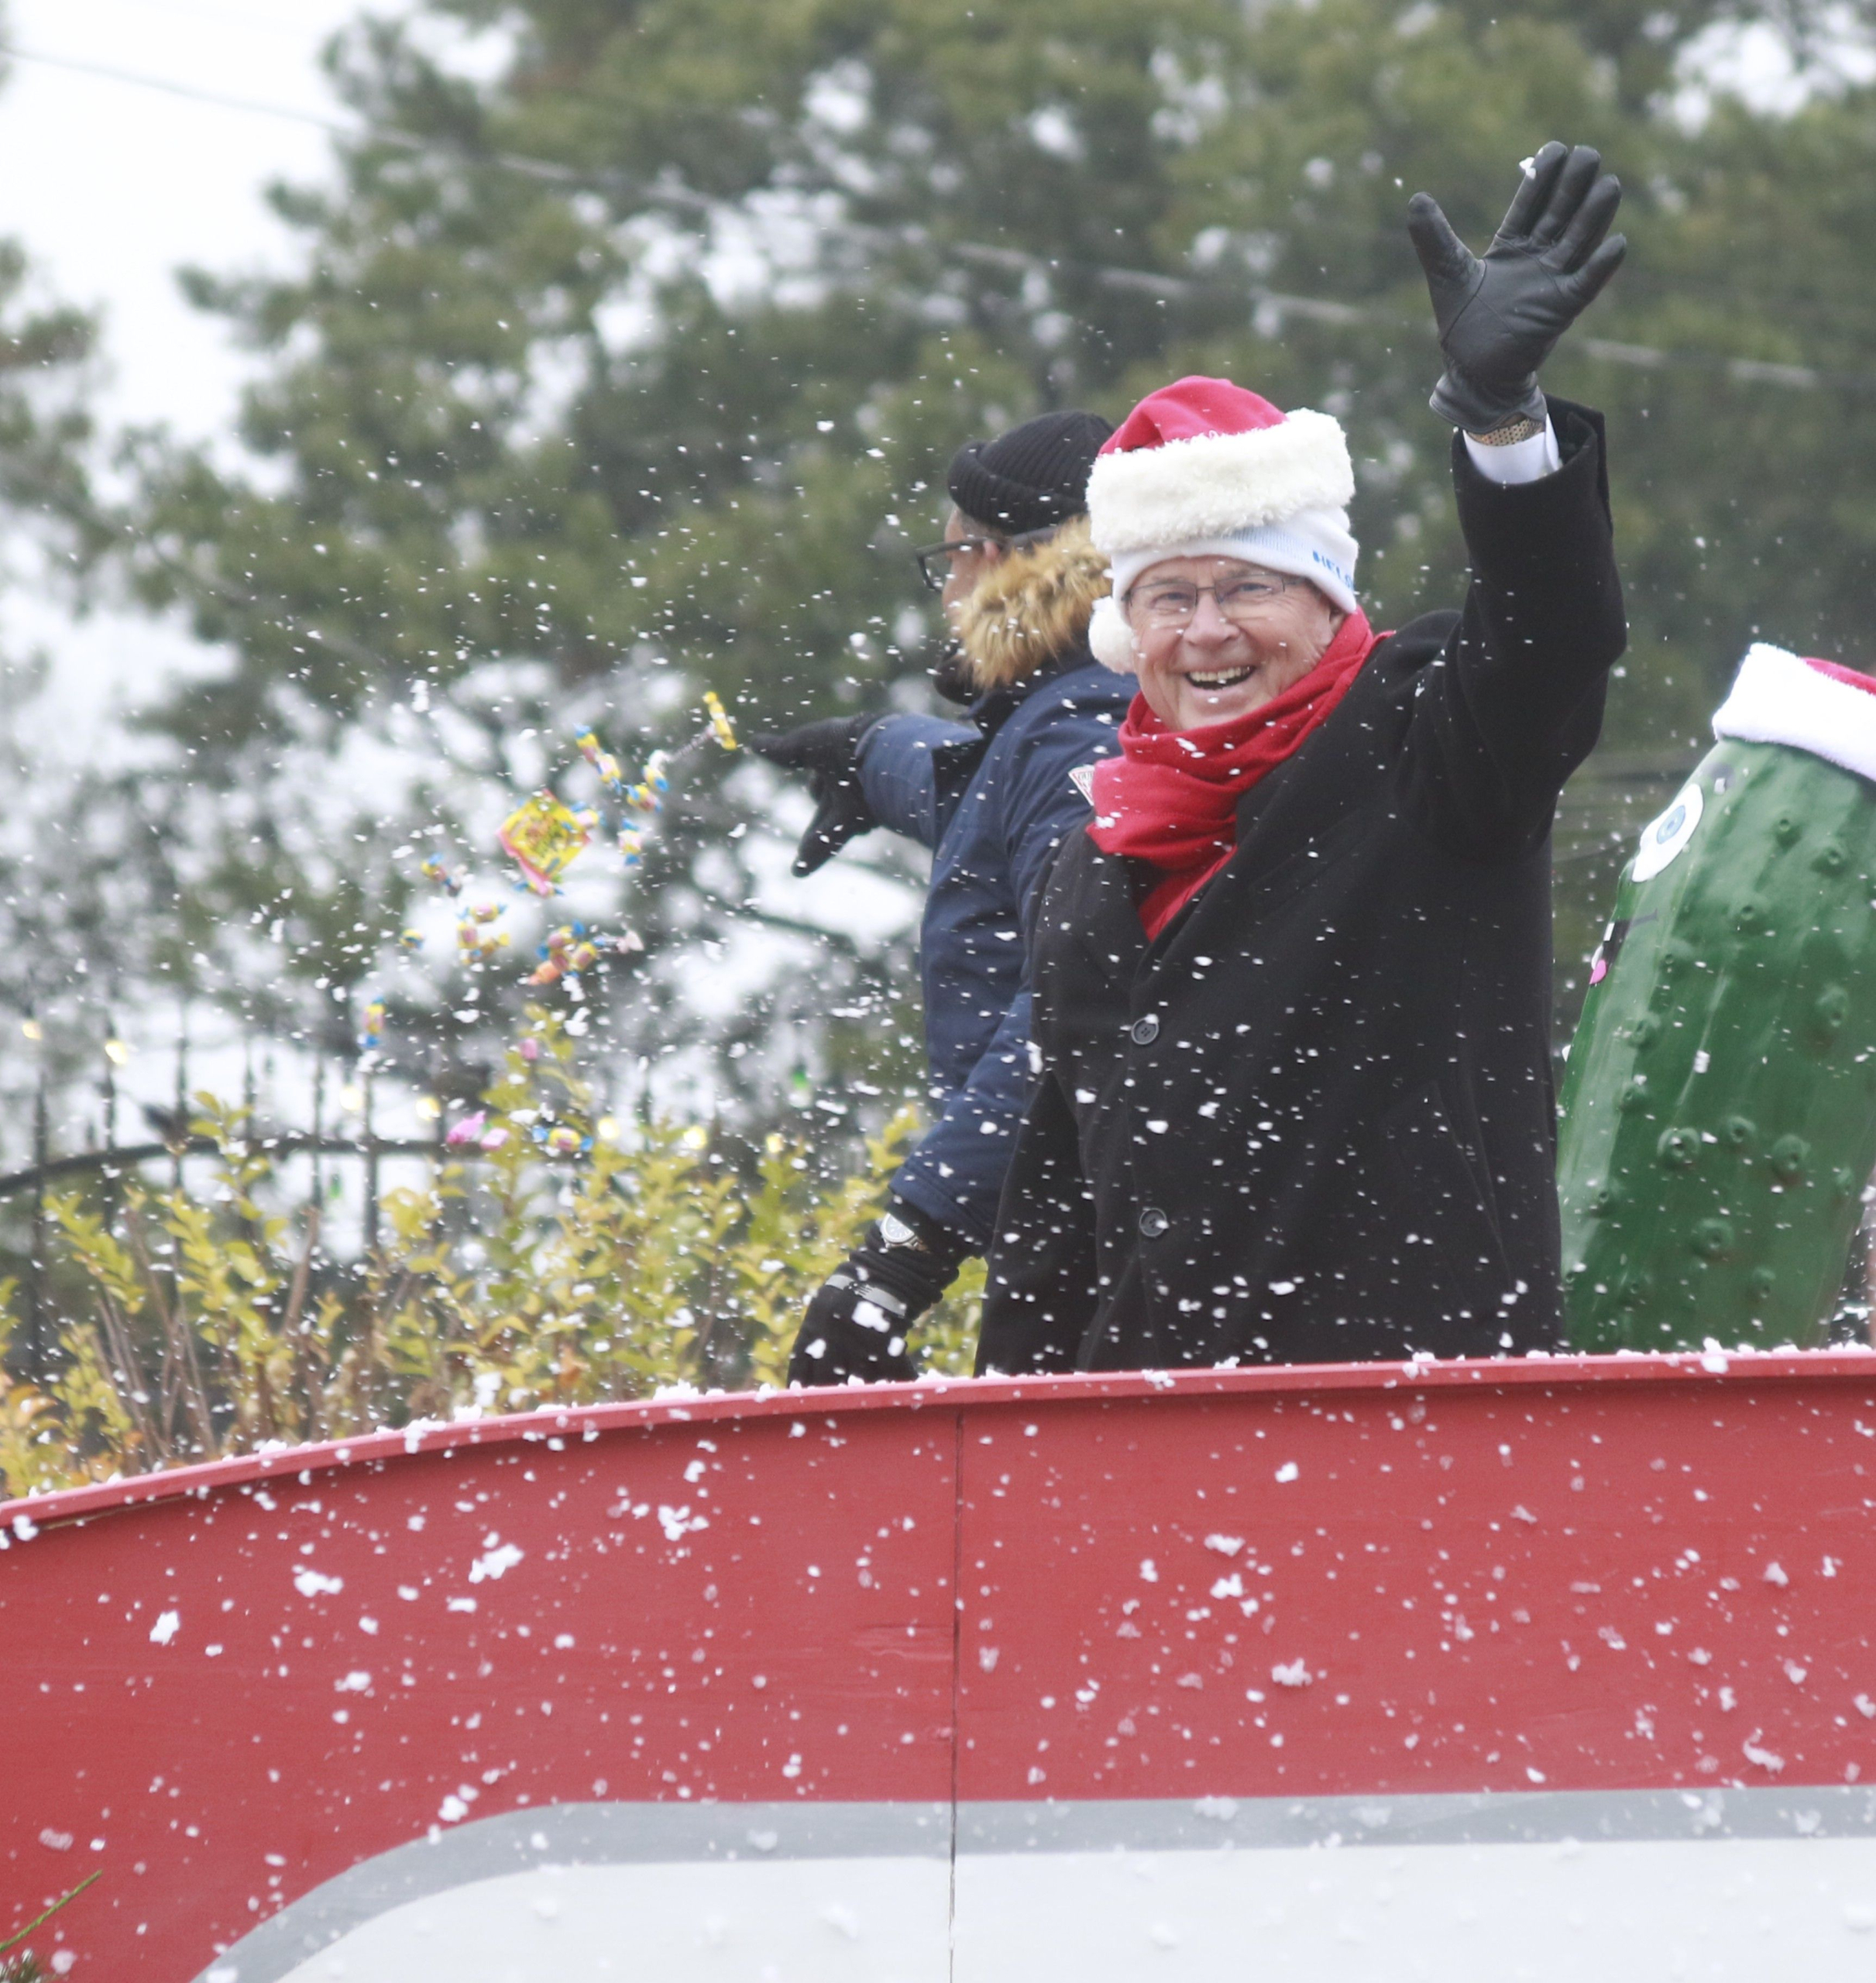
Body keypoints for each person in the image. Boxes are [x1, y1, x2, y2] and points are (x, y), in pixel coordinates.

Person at [977, 141, 1630, 1375]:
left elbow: (1552, 642)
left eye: (1247, 588)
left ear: (1328, 601)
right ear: (1125, 630)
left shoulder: (1427, 748)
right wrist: (1009, 1443)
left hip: (1418, 1427)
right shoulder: (1091, 859)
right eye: (1168, 597)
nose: (1206, 632)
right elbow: (1053, 1224)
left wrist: (1501, 420)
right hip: (1151, 1443)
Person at [754, 411, 1131, 1383]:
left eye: (952, 557)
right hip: (1079, 1208)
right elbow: (990, 799)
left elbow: (1069, 997)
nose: (950, 590)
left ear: (1003, 561)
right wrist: (871, 750)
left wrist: (906, 1250)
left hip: (1089, 1223)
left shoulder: (1083, 723)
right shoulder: (1081, 702)